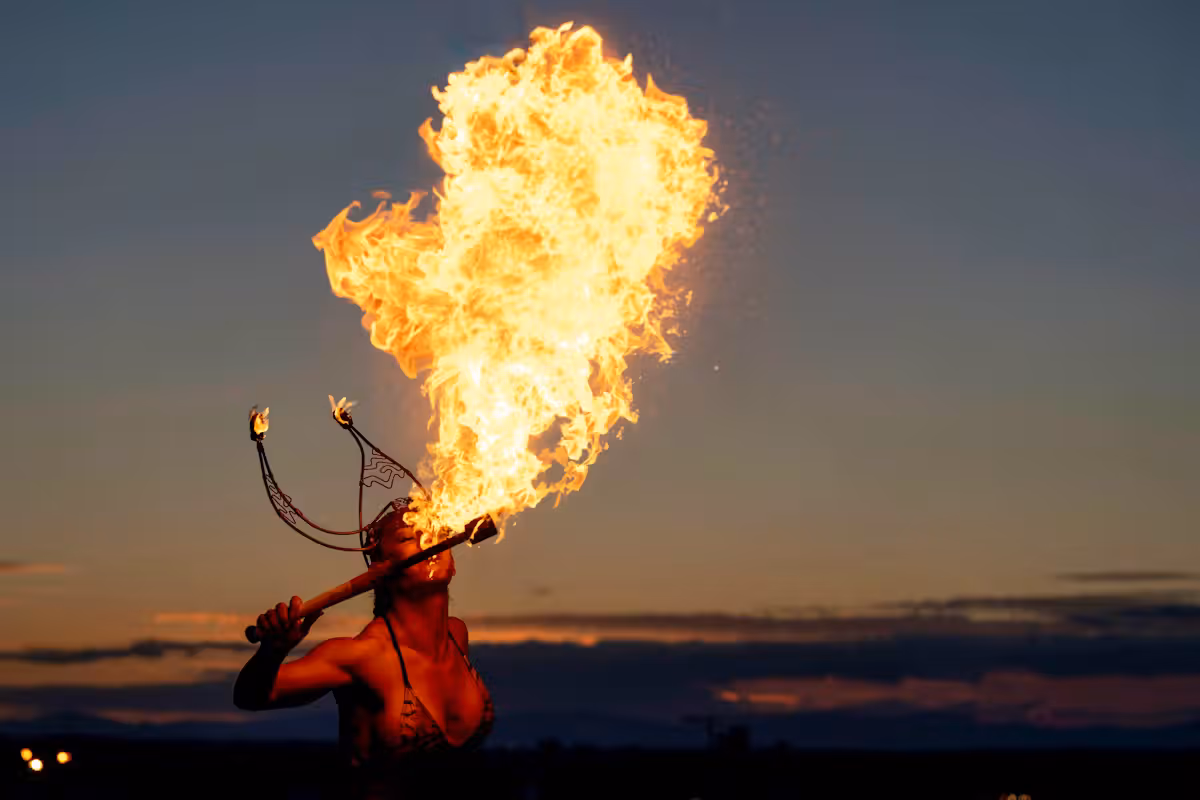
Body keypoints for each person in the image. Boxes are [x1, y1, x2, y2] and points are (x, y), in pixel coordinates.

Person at [234, 508, 494, 797]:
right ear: (379, 569)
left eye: (436, 532)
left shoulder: (456, 634)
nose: (428, 540)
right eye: (409, 536)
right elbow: (251, 696)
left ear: (454, 562)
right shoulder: (360, 656)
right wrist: (273, 651)